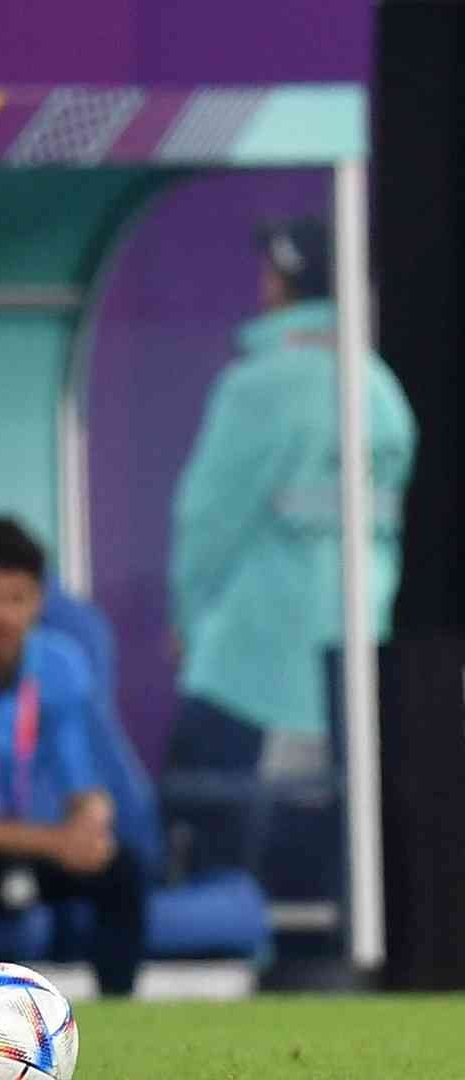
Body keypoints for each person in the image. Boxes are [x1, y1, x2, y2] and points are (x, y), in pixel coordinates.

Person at [166, 217, 416, 856]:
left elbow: (207, 523)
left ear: (280, 280)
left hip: (251, 671)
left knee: (208, 839)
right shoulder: (384, 390)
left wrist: (187, 625)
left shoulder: (259, 385)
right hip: (360, 659)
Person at [0, 518, 144, 996]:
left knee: (121, 868)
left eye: (17, 599)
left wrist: (92, 818)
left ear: (39, 601)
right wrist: (53, 841)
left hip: (38, 841)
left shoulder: (62, 664)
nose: (3, 617)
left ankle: (122, 1014)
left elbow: (84, 786)